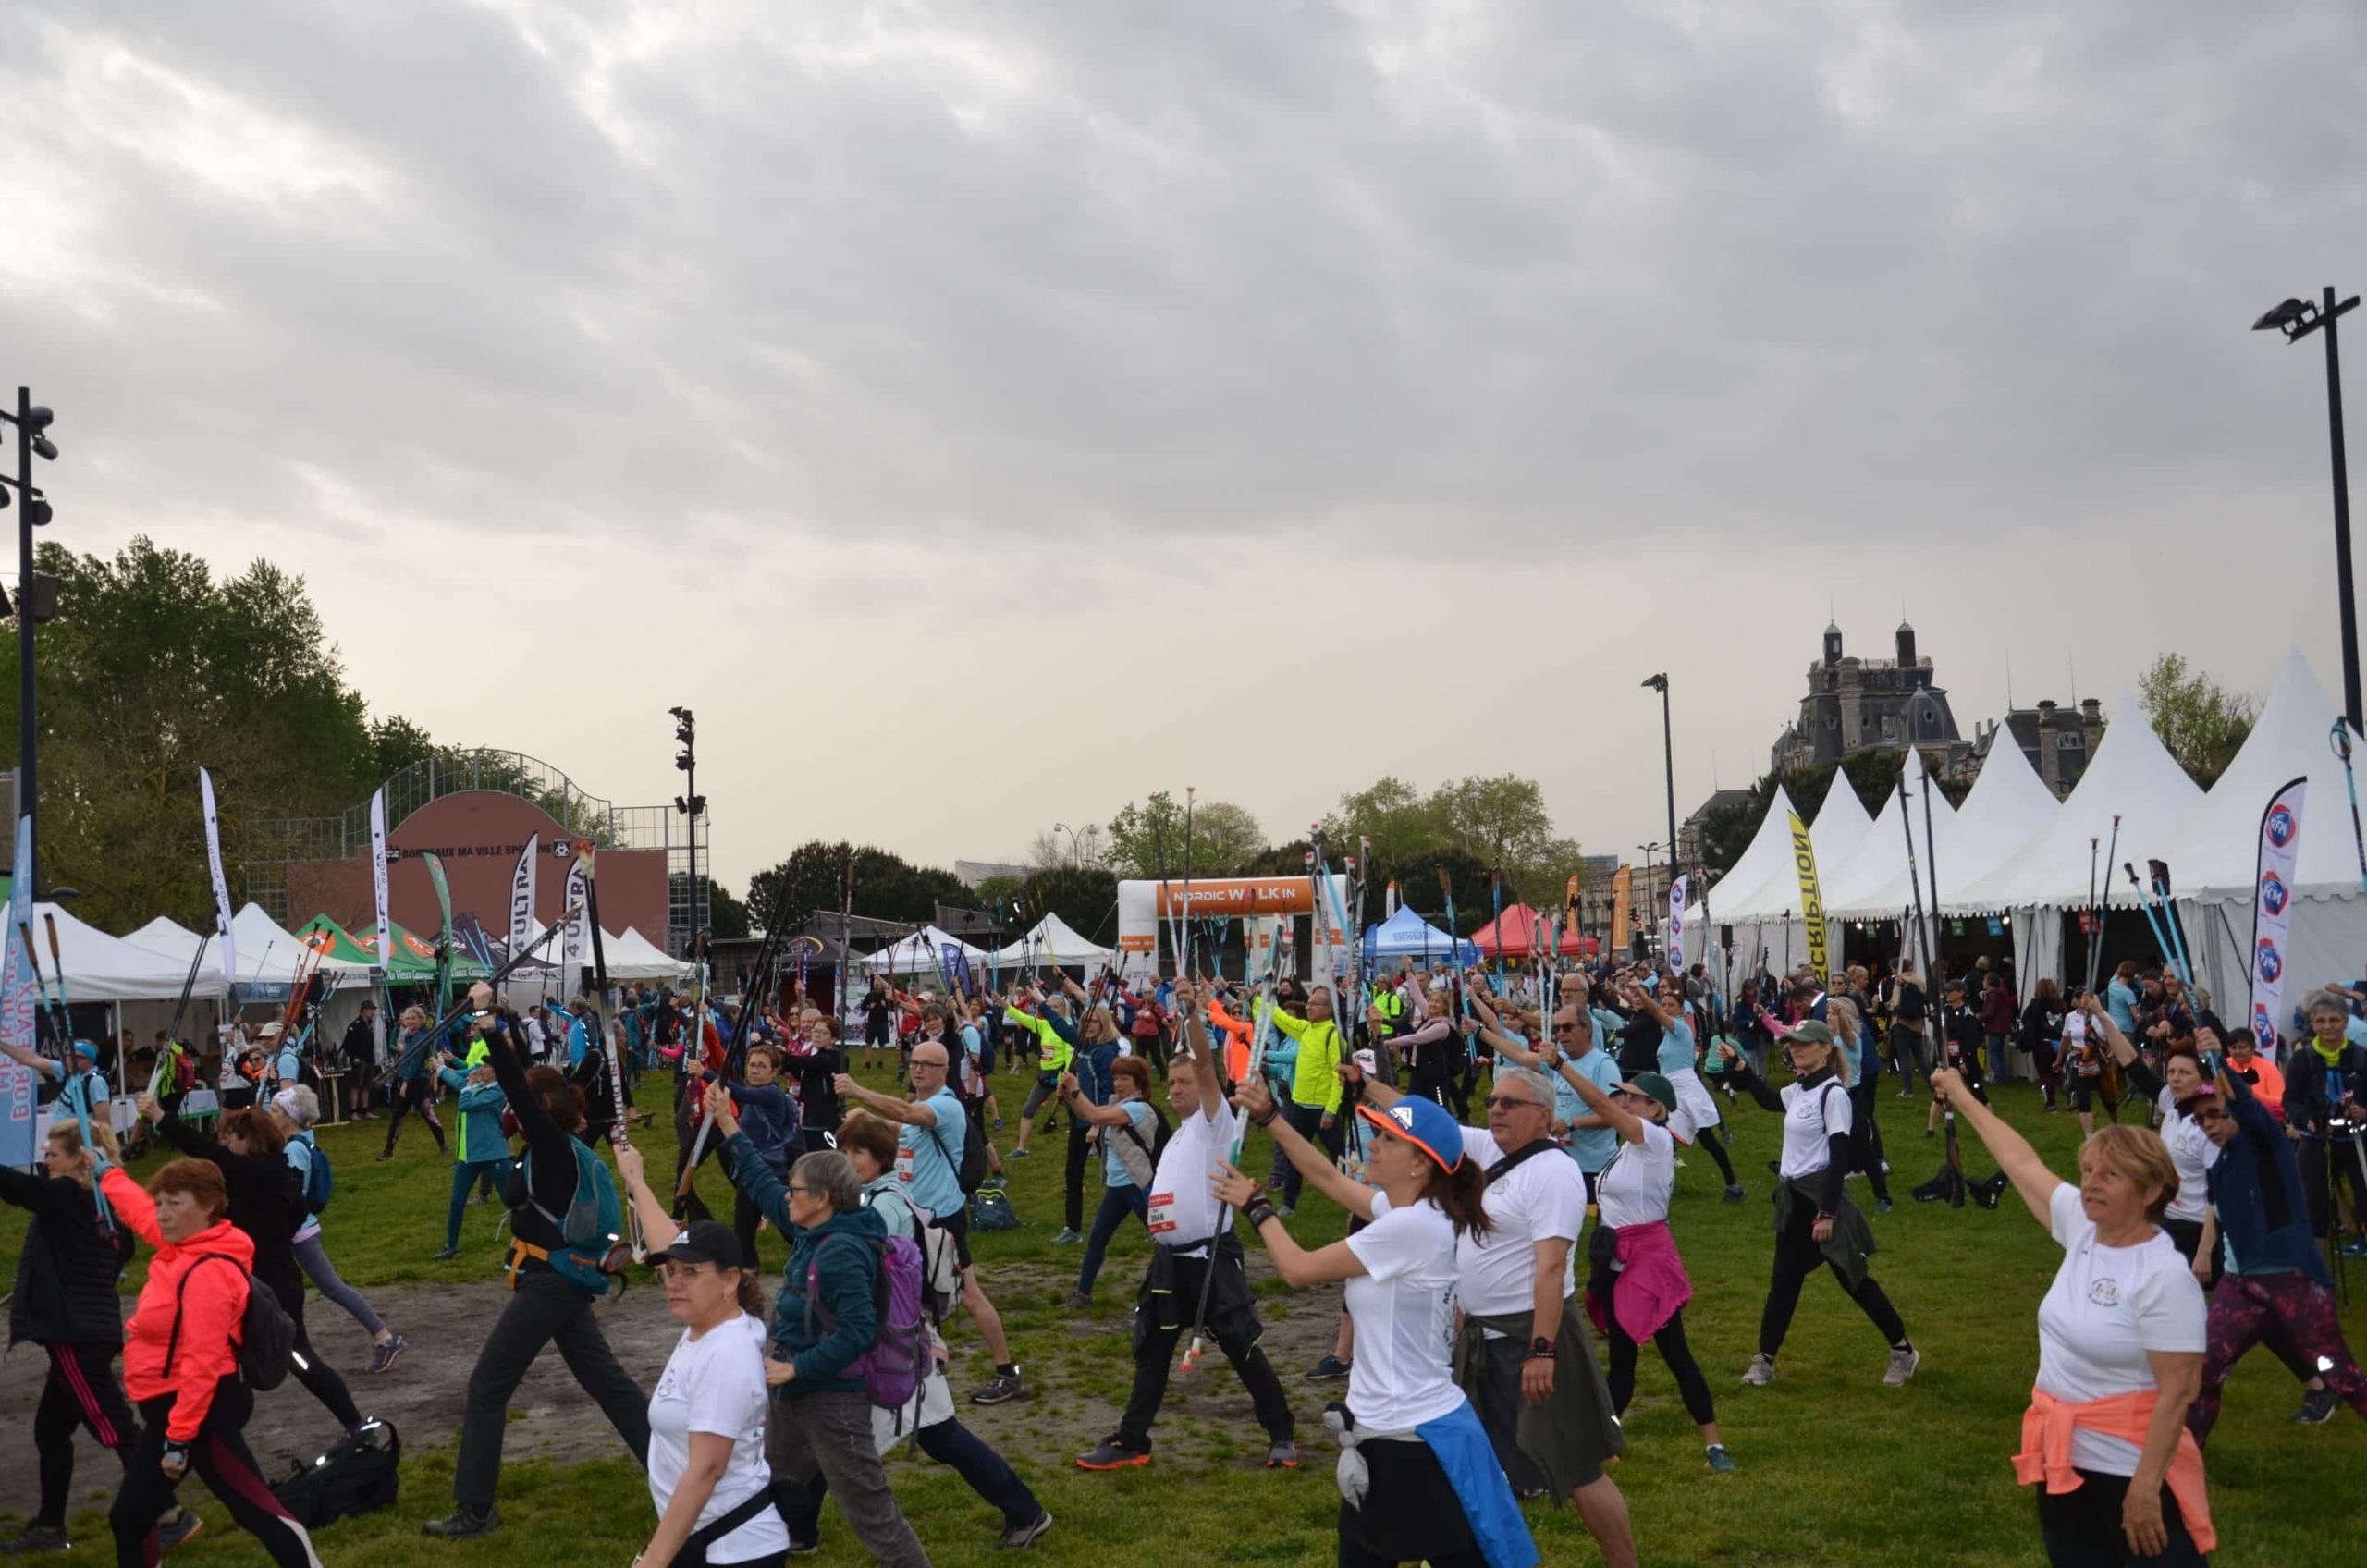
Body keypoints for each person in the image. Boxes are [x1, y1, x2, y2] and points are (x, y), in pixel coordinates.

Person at [1213, 1087, 1537, 1568]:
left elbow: (1297, 1269)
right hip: (1387, 1428)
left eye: (1388, 1138)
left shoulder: (1411, 1229)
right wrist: (1270, 1117)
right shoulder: (1413, 1214)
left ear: (1419, 1164)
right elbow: (1325, 1174)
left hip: (1417, 1439)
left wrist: (1257, 1207)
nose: (1374, 1143)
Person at [1335, 1055, 1639, 1561]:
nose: (1496, 1110)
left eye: (1510, 1103)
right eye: (1492, 1101)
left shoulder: (1555, 1171)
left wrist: (1542, 1350)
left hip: (1534, 1339)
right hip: (1479, 1340)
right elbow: (1422, 1122)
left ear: (1543, 1114)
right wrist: (1366, 1085)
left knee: (1578, 1467)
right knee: (1468, 1468)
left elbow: (1551, 1267)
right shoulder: (1486, 1150)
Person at [1929, 1068, 2215, 1566]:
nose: (2090, 1185)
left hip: (2132, 1468)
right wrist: (1961, 1096)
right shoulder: (2084, 1228)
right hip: (2062, 1460)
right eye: (2087, 1172)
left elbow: (2180, 1391)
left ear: (2150, 1192)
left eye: (2110, 1175)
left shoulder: (2164, 1275)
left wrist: (2146, 1487)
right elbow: (2020, 1162)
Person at [742, 1109, 1052, 1550]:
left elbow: (861, 1288)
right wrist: (735, 1134)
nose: (849, 1159)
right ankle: (799, 1530)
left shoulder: (883, 1206)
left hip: (893, 1351)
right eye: (844, 1150)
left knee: (939, 1438)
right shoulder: (865, 1199)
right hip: (879, 1351)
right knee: (828, 1441)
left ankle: (1025, 1511)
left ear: (883, 1158)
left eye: (860, 1151)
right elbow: (789, 1209)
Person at [429, 986, 648, 1538]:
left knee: (486, 1388)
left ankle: (475, 1511)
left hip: (550, 1284)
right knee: (611, 1386)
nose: (511, 1112)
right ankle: (681, 1472)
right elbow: (522, 1081)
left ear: (542, 1111)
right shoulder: (556, 1149)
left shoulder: (551, 1146)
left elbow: (513, 1079)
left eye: (521, 1106)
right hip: (563, 1281)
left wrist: (485, 1014)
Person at [1078, 987, 1297, 1473]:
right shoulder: (1178, 1137)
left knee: (1242, 1348)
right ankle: (1132, 1440)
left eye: (1184, 1082)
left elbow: (1205, 1068)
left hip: (1211, 1258)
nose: (1176, 1089)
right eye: (1171, 1083)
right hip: (1169, 1262)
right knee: (1153, 1351)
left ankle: (1281, 1433)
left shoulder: (1214, 1127)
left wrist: (1194, 1016)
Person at [98, 1157, 325, 1567]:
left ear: (206, 1206)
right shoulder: (182, 1245)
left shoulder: (208, 1270)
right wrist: (108, 1175)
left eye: (174, 1204)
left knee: (258, 1510)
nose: (162, 1214)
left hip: (199, 1411)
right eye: (160, 1202)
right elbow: (140, 1212)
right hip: (170, 1410)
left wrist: (179, 1439)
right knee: (129, 1519)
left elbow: (202, 1363)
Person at [742, 1145, 933, 1567]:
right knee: (761, 1492)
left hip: (832, 1401)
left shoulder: (842, 1250)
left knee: (872, 1513)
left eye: (795, 1190)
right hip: (795, 1394)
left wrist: (796, 1369)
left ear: (822, 1198)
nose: (787, 1197)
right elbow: (765, 1190)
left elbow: (858, 1330)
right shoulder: (815, 1233)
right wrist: (730, 1129)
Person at [139, 1092, 372, 1437]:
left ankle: (355, 1422)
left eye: (230, 1138)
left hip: (272, 1287)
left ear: (248, 1140)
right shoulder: (270, 1174)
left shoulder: (256, 1174)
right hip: (252, 1284)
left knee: (298, 1358)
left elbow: (209, 1153)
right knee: (212, 1356)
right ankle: (195, 1426)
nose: (225, 1144)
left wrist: (161, 1117)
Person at [607, 1153, 792, 1568]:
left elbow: (707, 1468)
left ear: (730, 1280)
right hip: (709, 1542)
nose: (674, 1282)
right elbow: (663, 1242)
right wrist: (636, 1180)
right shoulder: (709, 1322)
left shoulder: (725, 1353)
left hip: (733, 1552)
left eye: (690, 1273)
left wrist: (654, 1561)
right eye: (671, 1272)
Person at [1719, 1023, 1920, 1388]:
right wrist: (1741, 1067)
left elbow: (1839, 1157)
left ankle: (1903, 1351)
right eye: (1793, 1044)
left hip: (1822, 1199)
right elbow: (1766, 1099)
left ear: (1826, 1050)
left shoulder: (1833, 1094)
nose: (1796, 1049)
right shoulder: (1799, 1088)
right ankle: (1764, 1359)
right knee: (1783, 1281)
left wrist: (1827, 1214)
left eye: (1805, 1044)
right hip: (1794, 1200)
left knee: (1854, 1281)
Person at [1563, 1066, 1735, 1475]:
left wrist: (1559, 1067)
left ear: (1655, 1108)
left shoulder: (1654, 1139)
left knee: (1676, 1353)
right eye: (1623, 1097)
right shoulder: (1629, 1147)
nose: (1623, 1102)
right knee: (1622, 1355)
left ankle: (1713, 1444)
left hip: (1649, 1265)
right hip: (1620, 1260)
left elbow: (1600, 1105)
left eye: (1632, 1098)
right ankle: (1605, 1441)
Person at [2189, 1054, 2367, 1439]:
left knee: (2340, 1374)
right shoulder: (2220, 1163)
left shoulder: (2269, 1146)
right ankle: (2180, 1466)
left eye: (2216, 1114)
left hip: (2294, 1282)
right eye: (2201, 1119)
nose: (2209, 1125)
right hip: (2239, 1286)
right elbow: (2216, 1212)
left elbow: (2247, 1105)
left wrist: (2214, 1055)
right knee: (2204, 1370)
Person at [835, 1039, 1023, 1405]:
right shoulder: (921, 1106)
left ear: (944, 1071)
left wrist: (858, 1091)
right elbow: (896, 1123)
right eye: (914, 1061)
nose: (918, 1068)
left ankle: (1006, 1371)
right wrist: (863, 1118)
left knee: (967, 1295)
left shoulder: (946, 1107)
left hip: (942, 1222)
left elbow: (906, 1116)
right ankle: (923, 1365)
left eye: (927, 1064)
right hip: (914, 1218)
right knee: (915, 1298)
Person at [0, 1120, 146, 1556]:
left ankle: (166, 1511)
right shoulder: (107, 1205)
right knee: (50, 1429)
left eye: (53, 1155)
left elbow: (21, 1190)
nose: (45, 1164)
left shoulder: (71, 1196)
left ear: (81, 1159)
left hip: (75, 1332)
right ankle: (49, 1526)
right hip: (89, 1328)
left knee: (114, 1425)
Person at [266, 1085, 405, 1374]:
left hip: (297, 1232)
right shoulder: (302, 1139)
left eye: (276, 1110)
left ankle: (385, 1338)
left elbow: (291, 1196)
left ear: (290, 1117)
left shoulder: (293, 1149)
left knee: (332, 1287)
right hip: (299, 1229)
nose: (271, 1114)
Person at [1628, 980, 1745, 1199]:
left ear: (1681, 1009)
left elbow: (1652, 1011)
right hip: (1670, 1090)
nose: (1665, 1008)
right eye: (1663, 1004)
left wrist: (1640, 993)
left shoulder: (1680, 1028)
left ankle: (1733, 1185)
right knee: (1660, 1138)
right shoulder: (1668, 1035)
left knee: (1707, 1141)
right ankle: (1656, 1186)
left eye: (1671, 1005)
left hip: (1686, 1091)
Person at [1060, 1053, 1159, 1305]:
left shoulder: (1137, 1109)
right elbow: (1087, 1113)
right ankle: (1083, 1293)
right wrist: (1069, 1096)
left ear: (1139, 1082)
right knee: (1097, 1240)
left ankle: (1184, 1287)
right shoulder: (1117, 1104)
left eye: (1125, 1078)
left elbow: (1094, 1116)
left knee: (1167, 1240)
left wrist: (1075, 1089)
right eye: (1115, 1078)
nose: (1118, 1083)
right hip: (1117, 1187)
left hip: (1136, 1185)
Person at [2284, 990, 2367, 1256]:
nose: (2328, 1026)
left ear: (2345, 1022)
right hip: (2317, 1139)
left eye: (2334, 1020)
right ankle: (2317, 1264)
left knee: (2365, 1196)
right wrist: (2306, 1120)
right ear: (2312, 1023)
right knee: (2315, 1202)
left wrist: (2364, 1111)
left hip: (2356, 1138)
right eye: (2321, 1021)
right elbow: (2291, 1099)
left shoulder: (2361, 1056)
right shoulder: (2302, 1059)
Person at [1258, 983, 1347, 1214]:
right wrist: (1255, 1000)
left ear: (1328, 1009)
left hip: (1322, 1110)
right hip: (1299, 1106)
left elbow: (1339, 1077)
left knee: (1340, 1156)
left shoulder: (1333, 1036)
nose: (1308, 1007)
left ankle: (1355, 1198)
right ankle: (1289, 1203)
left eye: (1314, 1004)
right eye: (1308, 1003)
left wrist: (1330, 1110)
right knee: (1294, 1155)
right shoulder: (1306, 1029)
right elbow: (1281, 1018)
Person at [721, 1041, 801, 1270]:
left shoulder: (771, 1094)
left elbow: (739, 1092)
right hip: (752, 1173)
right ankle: (748, 1276)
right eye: (752, 1065)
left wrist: (709, 1075)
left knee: (791, 1226)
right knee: (743, 1231)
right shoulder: (757, 1094)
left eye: (761, 1066)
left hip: (774, 1173)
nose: (755, 1070)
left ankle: (815, 1258)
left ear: (774, 1071)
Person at [431, 1042, 512, 1259]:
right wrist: (440, 1068)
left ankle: (533, 1241)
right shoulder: (478, 1086)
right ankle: (451, 1246)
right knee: (457, 1202)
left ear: (496, 1071)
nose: (481, 1069)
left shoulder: (497, 1091)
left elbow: (466, 1104)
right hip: (470, 1155)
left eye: (486, 1067)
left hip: (494, 1153)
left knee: (513, 1200)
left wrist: (468, 1084)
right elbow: (459, 1082)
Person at [378, 1005, 448, 1159]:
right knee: (397, 1116)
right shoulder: (408, 1035)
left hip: (417, 1082)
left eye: (413, 1018)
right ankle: (388, 1150)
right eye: (408, 1018)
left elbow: (415, 1062)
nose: (410, 1021)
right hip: (408, 1079)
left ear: (421, 1020)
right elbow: (405, 1060)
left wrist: (405, 1082)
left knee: (428, 1115)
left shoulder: (420, 1037)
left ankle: (443, 1145)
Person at [2026, 977, 2067, 1113]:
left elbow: (2026, 1019)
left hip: (2043, 1043)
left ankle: (2051, 1104)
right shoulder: (2061, 1004)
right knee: (2058, 1070)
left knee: (2046, 1074)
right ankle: (2071, 1094)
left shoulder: (2035, 1004)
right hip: (2060, 1043)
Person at [341, 999, 382, 1119]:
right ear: (364, 1011)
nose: (373, 1013)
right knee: (356, 1085)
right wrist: (354, 1057)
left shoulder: (369, 1025)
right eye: (371, 1010)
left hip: (370, 1059)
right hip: (360, 1060)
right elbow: (347, 1045)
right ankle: (353, 1111)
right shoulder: (355, 1026)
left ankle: (365, 1109)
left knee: (367, 1085)